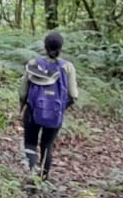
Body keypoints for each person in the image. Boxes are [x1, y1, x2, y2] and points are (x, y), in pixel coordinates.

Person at [20, 32, 79, 179]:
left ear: (45, 46)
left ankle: (31, 175)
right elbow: (74, 95)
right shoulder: (68, 67)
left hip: (33, 111)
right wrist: (62, 108)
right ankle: (43, 178)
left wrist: (23, 105)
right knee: (47, 144)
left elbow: (23, 91)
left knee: (30, 143)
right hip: (55, 113)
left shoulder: (34, 64)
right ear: (61, 47)